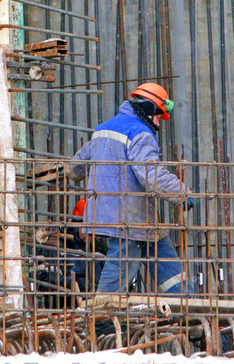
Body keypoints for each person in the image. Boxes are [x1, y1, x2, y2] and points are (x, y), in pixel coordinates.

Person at [67, 82, 195, 295]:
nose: (158, 123)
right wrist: (181, 193)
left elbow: (74, 169)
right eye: (158, 116)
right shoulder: (140, 133)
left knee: (164, 258)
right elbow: (150, 175)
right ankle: (102, 319)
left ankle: (185, 304)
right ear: (149, 109)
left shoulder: (103, 129)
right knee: (121, 265)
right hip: (128, 217)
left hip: (130, 216)